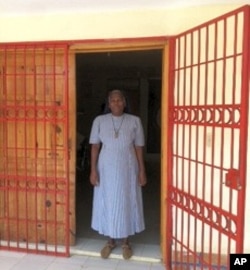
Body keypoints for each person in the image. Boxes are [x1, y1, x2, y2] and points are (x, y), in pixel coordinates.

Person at [89, 89, 147, 260]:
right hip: (106, 168)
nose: (116, 103)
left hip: (128, 169)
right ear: (108, 103)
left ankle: (126, 242)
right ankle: (110, 241)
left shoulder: (135, 121)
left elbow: (138, 147)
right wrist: (93, 170)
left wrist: (142, 170)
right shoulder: (99, 121)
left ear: (125, 102)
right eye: (112, 100)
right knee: (107, 202)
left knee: (126, 202)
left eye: (119, 100)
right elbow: (94, 147)